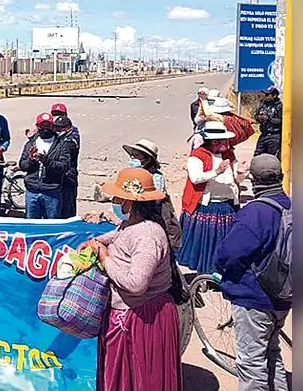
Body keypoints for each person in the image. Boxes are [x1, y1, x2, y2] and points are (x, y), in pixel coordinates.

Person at [82, 166, 184, 391]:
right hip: (130, 313)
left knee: (139, 378)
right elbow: (119, 234)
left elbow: (136, 284)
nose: (115, 201)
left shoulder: (147, 236)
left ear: (129, 202)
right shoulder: (132, 225)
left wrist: (105, 258)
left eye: (119, 197)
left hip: (142, 317)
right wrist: (96, 241)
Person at [214, 154, 291, 391]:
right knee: (272, 351)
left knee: (251, 362)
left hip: (255, 298)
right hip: (285, 295)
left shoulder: (255, 213)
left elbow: (230, 253)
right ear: (280, 177)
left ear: (253, 180)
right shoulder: (291, 206)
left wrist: (219, 268)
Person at [85, 139, 183, 250]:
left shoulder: (156, 177)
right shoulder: (134, 172)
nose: (132, 158)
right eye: (132, 155)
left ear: (147, 159)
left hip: (150, 215)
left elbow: (151, 200)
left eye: (136, 156)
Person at [178, 120, 246, 274]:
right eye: (221, 141)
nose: (225, 143)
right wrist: (217, 171)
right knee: (205, 244)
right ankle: (203, 273)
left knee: (224, 242)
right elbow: (196, 178)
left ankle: (222, 272)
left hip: (227, 206)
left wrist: (240, 172)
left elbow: (235, 177)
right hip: (207, 206)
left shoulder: (228, 154)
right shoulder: (197, 156)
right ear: (212, 141)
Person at [18, 113, 72, 220]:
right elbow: (22, 165)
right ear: (37, 126)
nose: (45, 129)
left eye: (48, 126)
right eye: (42, 126)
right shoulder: (30, 144)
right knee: (31, 224)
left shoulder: (61, 145)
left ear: (52, 126)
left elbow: (64, 166)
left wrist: (46, 161)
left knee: (52, 226)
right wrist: (31, 160)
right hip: (32, 191)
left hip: (51, 192)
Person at [52, 114, 80, 218]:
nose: (56, 130)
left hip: (69, 177)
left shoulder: (71, 140)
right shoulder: (65, 135)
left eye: (59, 128)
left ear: (67, 128)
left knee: (68, 208)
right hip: (58, 177)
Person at [253, 86, 283, 158]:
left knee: (270, 157)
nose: (265, 96)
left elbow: (281, 121)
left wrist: (268, 119)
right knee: (257, 155)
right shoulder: (263, 105)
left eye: (267, 95)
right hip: (263, 135)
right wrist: (259, 118)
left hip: (274, 136)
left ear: (274, 96)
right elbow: (256, 116)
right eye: (265, 94)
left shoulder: (279, 106)